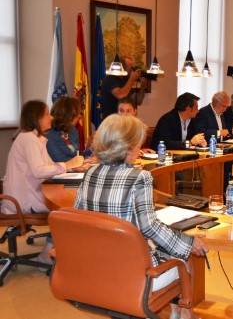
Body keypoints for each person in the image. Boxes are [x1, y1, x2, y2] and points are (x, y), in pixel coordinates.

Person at [73, 114, 207, 319]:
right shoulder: (140, 177)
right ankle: (184, 315)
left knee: (167, 246)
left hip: (96, 266)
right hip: (133, 273)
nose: (140, 148)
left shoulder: (90, 173)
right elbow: (149, 227)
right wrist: (189, 243)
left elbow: (79, 216)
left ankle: (174, 313)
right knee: (184, 256)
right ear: (128, 147)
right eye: (138, 143)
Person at [2, 100, 84, 264]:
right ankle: (46, 254)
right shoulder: (28, 139)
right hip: (22, 201)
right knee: (68, 210)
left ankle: (60, 249)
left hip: (31, 193)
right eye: (46, 114)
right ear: (36, 118)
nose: (50, 117)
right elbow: (39, 171)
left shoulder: (37, 138)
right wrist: (67, 165)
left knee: (72, 204)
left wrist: (68, 167)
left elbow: (49, 168)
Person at [46, 97, 93, 163]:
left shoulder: (73, 130)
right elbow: (59, 160)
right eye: (78, 113)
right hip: (60, 172)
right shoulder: (49, 134)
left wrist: (93, 147)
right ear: (68, 114)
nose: (79, 116)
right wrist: (83, 161)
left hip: (74, 170)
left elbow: (78, 156)